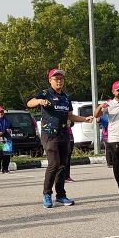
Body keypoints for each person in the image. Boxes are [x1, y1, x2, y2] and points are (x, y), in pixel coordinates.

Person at [27, 68, 93, 208]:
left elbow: (70, 116)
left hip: (64, 133)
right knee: (54, 163)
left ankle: (61, 195)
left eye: (61, 78)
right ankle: (46, 194)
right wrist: (39, 101)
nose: (59, 80)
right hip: (49, 134)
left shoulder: (66, 97)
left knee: (63, 164)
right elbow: (29, 103)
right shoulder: (45, 94)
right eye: (56, 78)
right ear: (50, 80)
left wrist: (85, 119)